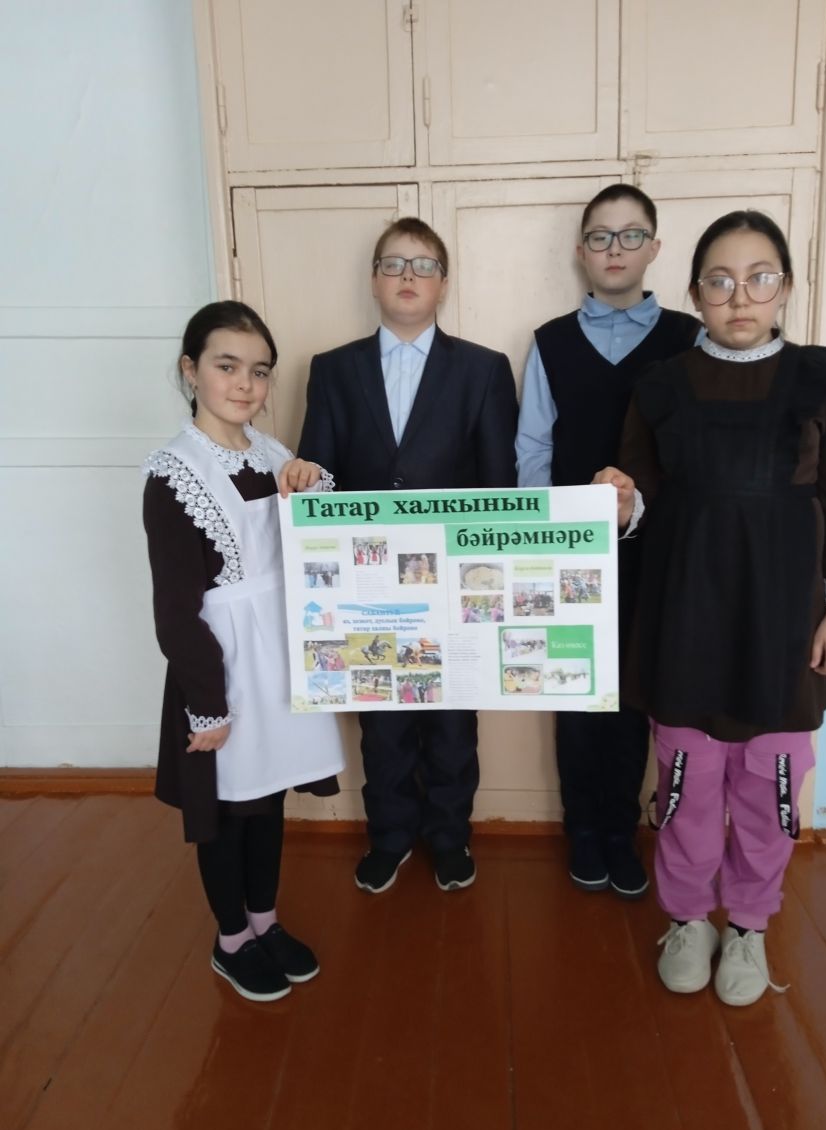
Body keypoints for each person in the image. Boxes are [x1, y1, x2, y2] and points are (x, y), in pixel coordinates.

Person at [597, 210, 826, 1005]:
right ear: (694, 293)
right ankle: (687, 917)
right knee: (687, 784)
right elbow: (639, 500)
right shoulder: (662, 386)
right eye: (719, 281)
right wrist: (618, 501)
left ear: (785, 287)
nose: (739, 296)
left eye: (758, 278)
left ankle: (748, 924)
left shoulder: (820, 381)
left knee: (769, 787)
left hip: (784, 622)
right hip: (684, 617)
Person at [281, 217, 518, 893]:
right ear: (374, 280)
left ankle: (449, 836)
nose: (408, 276)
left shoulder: (483, 369)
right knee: (382, 721)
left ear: (444, 282)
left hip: (454, 581)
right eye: (393, 264)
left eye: (423, 265)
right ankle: (388, 837)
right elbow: (319, 479)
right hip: (366, 584)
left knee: (452, 719)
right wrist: (304, 478)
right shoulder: (333, 369)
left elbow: (499, 486)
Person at [143, 301, 345, 1003]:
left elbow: (320, 542)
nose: (244, 384)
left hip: (280, 658)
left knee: (268, 799)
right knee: (227, 809)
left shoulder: (273, 454)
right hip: (222, 670)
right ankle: (231, 939)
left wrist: (311, 486)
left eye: (259, 371)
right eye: (226, 365)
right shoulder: (174, 476)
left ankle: (265, 920)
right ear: (190, 369)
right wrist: (208, 705)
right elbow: (175, 612)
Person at [516, 184, 702, 898]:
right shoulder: (550, 343)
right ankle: (583, 831)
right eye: (600, 236)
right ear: (581, 251)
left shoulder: (688, 339)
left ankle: (623, 831)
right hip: (567, 555)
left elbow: (696, 453)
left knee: (632, 697)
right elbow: (533, 448)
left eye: (630, 235)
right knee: (573, 694)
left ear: (655, 247)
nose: (614, 249)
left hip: (655, 553)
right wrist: (546, 536)